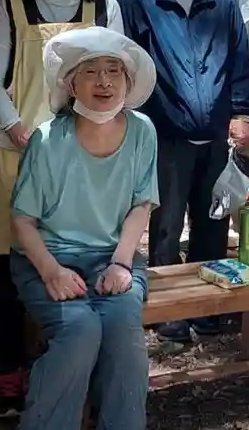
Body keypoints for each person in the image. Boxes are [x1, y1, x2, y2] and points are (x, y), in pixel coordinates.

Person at [0, 0, 121, 418]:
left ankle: (79, 368)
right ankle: (8, 376)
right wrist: (19, 131)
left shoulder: (103, 8)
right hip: (18, 152)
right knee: (10, 263)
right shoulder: (12, 5)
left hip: (86, 154)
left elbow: (116, 78)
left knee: (84, 255)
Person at [118, 0, 249, 343]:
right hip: (163, 133)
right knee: (165, 225)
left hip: (216, 131)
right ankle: (169, 310)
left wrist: (242, 113)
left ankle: (207, 306)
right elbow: (124, 64)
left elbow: (239, 62)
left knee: (213, 220)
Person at [9, 26, 157, 430]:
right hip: (47, 259)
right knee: (79, 329)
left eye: (114, 70)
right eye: (91, 71)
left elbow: (141, 203)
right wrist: (51, 272)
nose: (104, 81)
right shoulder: (46, 140)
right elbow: (22, 220)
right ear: (71, 83)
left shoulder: (143, 131)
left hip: (113, 257)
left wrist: (122, 264)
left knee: (123, 330)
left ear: (129, 81)